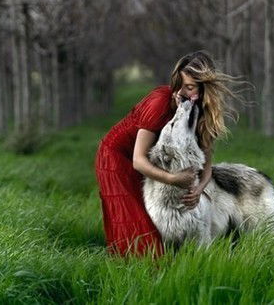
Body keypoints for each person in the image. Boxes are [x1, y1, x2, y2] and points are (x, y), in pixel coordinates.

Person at [95, 50, 239, 257]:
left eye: (189, 87)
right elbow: (138, 160)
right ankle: (137, 274)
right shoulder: (160, 104)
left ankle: (168, 270)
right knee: (137, 224)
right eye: (180, 84)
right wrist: (172, 178)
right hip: (118, 156)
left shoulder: (201, 114)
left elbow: (206, 167)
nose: (181, 92)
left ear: (203, 89)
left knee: (150, 224)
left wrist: (198, 190)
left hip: (149, 160)